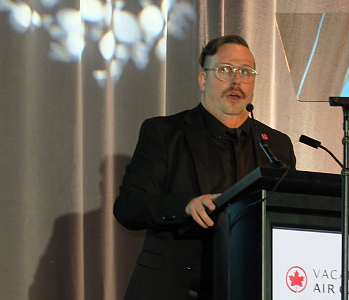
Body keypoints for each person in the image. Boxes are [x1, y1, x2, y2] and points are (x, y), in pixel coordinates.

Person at [113, 35, 296, 300]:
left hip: (252, 288)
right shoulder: (164, 133)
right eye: (224, 70)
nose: (235, 81)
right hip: (175, 289)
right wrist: (185, 206)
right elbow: (128, 206)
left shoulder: (277, 145)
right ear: (203, 80)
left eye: (245, 72)